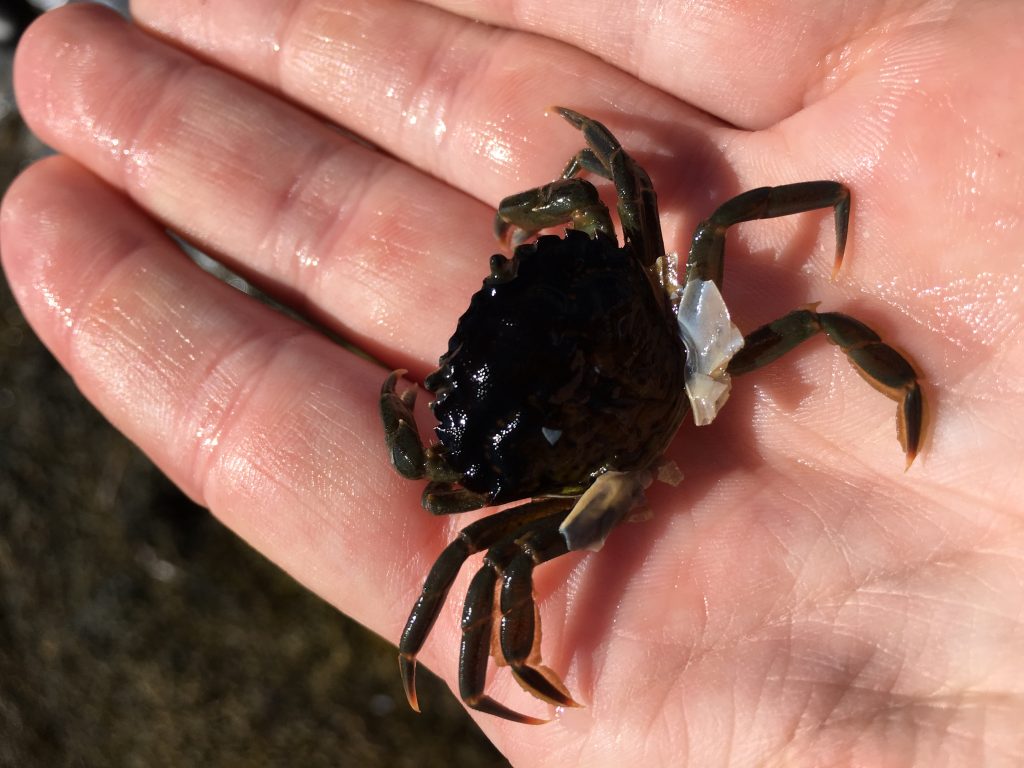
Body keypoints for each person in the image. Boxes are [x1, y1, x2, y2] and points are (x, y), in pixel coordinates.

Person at [3, 2, 1022, 764]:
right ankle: (894, 401)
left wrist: (408, 410)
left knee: (490, 565)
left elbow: (455, 528)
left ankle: (527, 673)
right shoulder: (612, 250)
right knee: (767, 289)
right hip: (670, 374)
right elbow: (615, 178)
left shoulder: (479, 450)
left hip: (629, 420)